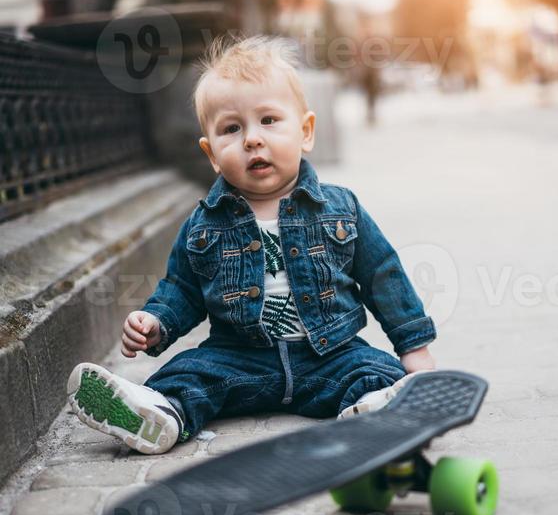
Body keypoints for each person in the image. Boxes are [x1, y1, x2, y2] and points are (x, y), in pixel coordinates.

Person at [67, 35, 436, 454]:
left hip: (330, 356)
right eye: (231, 128)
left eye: (269, 120)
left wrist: (414, 350)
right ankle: (159, 414)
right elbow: (182, 290)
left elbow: (382, 275)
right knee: (188, 374)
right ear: (211, 153)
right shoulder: (204, 223)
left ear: (306, 131)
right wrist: (154, 323)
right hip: (239, 359)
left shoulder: (340, 208)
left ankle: (377, 409)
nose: (252, 140)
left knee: (374, 371)